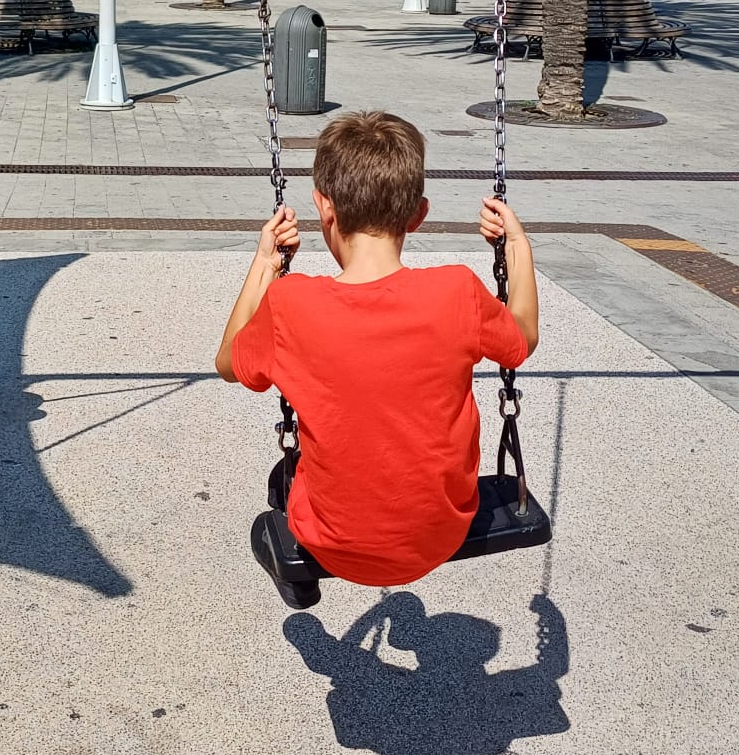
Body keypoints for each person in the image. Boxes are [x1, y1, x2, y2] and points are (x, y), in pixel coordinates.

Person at [214, 112, 540, 601]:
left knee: (282, 487)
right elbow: (524, 337)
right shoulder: (457, 292)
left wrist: (264, 264)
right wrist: (517, 246)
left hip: (332, 543)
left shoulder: (291, 305)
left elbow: (227, 364)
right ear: (419, 214)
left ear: (324, 207)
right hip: (440, 534)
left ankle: (293, 563)